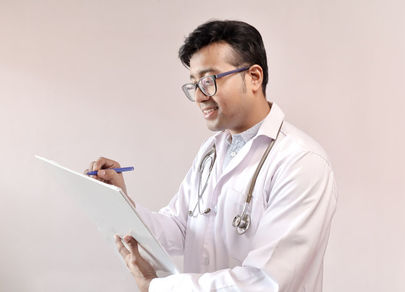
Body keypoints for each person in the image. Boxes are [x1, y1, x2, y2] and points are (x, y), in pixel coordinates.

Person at [85, 20, 337, 291]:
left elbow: (264, 282)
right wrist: (122, 204)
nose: (199, 97)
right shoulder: (212, 151)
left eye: (208, 80)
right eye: (194, 85)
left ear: (254, 77)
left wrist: (157, 287)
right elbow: (180, 228)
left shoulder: (301, 162)